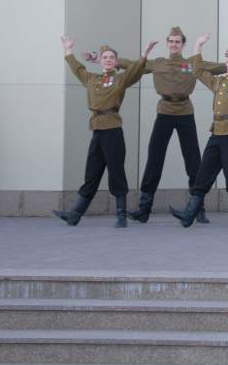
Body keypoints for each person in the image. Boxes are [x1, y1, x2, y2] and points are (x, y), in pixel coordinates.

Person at [83, 26, 228, 224]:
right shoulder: (158, 63)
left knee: (193, 161)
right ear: (168, 44)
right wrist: (99, 60)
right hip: (164, 112)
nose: (174, 45)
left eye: (177, 42)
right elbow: (133, 65)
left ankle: (199, 210)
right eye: (171, 42)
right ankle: (144, 209)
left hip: (185, 113)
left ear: (183, 45)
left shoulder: (190, 63)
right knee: (154, 160)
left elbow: (218, 67)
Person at [53, 35, 158, 227]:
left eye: (111, 58)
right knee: (92, 173)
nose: (108, 60)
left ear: (116, 62)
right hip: (97, 129)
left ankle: (121, 216)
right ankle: (75, 215)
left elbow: (135, 70)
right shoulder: (92, 79)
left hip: (112, 129)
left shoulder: (120, 79)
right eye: (105, 57)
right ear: (99, 61)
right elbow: (77, 68)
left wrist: (144, 54)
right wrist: (68, 50)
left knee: (116, 172)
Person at [169, 32, 228, 229]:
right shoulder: (219, 82)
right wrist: (198, 45)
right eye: (227, 55)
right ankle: (189, 215)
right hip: (216, 133)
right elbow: (198, 70)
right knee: (202, 176)